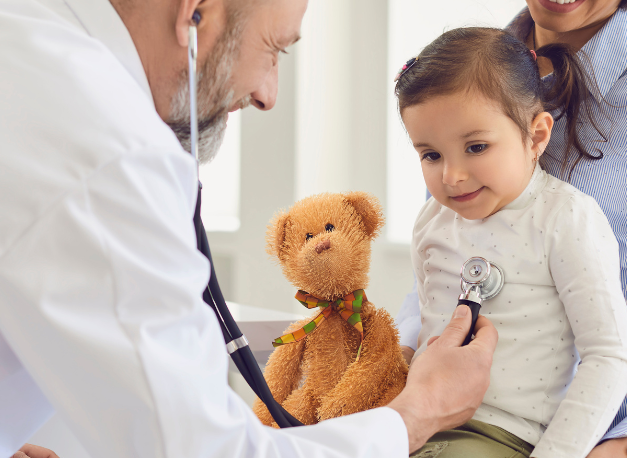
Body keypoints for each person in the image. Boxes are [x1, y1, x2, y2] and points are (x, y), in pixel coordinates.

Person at [0, 0, 499, 457]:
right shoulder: (108, 152)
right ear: (194, 14)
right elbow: (207, 451)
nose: (267, 94)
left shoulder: (28, 43)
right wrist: (416, 414)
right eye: (273, 50)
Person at [396, 0, 627, 456]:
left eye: (476, 146)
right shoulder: (463, 72)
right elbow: (436, 286)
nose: (453, 175)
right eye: (432, 156)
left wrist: (626, 449)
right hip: (438, 425)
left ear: (538, 134)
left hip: (609, 437)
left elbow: (610, 357)